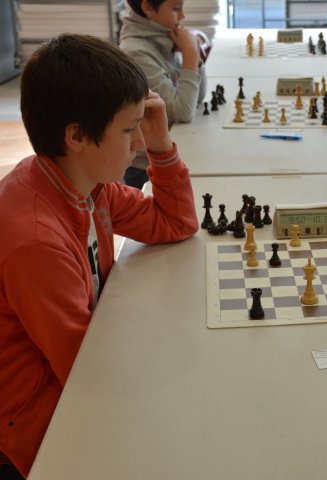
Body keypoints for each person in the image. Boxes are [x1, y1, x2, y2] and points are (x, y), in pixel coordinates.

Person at [0, 34, 199, 477]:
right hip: (33, 436)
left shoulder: (88, 186)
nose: (139, 144)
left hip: (73, 384)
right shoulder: (37, 242)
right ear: (76, 136)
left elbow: (176, 223)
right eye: (129, 130)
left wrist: (162, 144)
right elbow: (88, 373)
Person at [120, 0, 208, 188]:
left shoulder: (162, 37)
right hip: (146, 168)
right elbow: (183, 111)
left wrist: (196, 60)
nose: (183, 16)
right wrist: (190, 53)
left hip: (171, 151)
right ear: (148, 7)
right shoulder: (136, 52)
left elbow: (197, 98)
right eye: (176, 8)